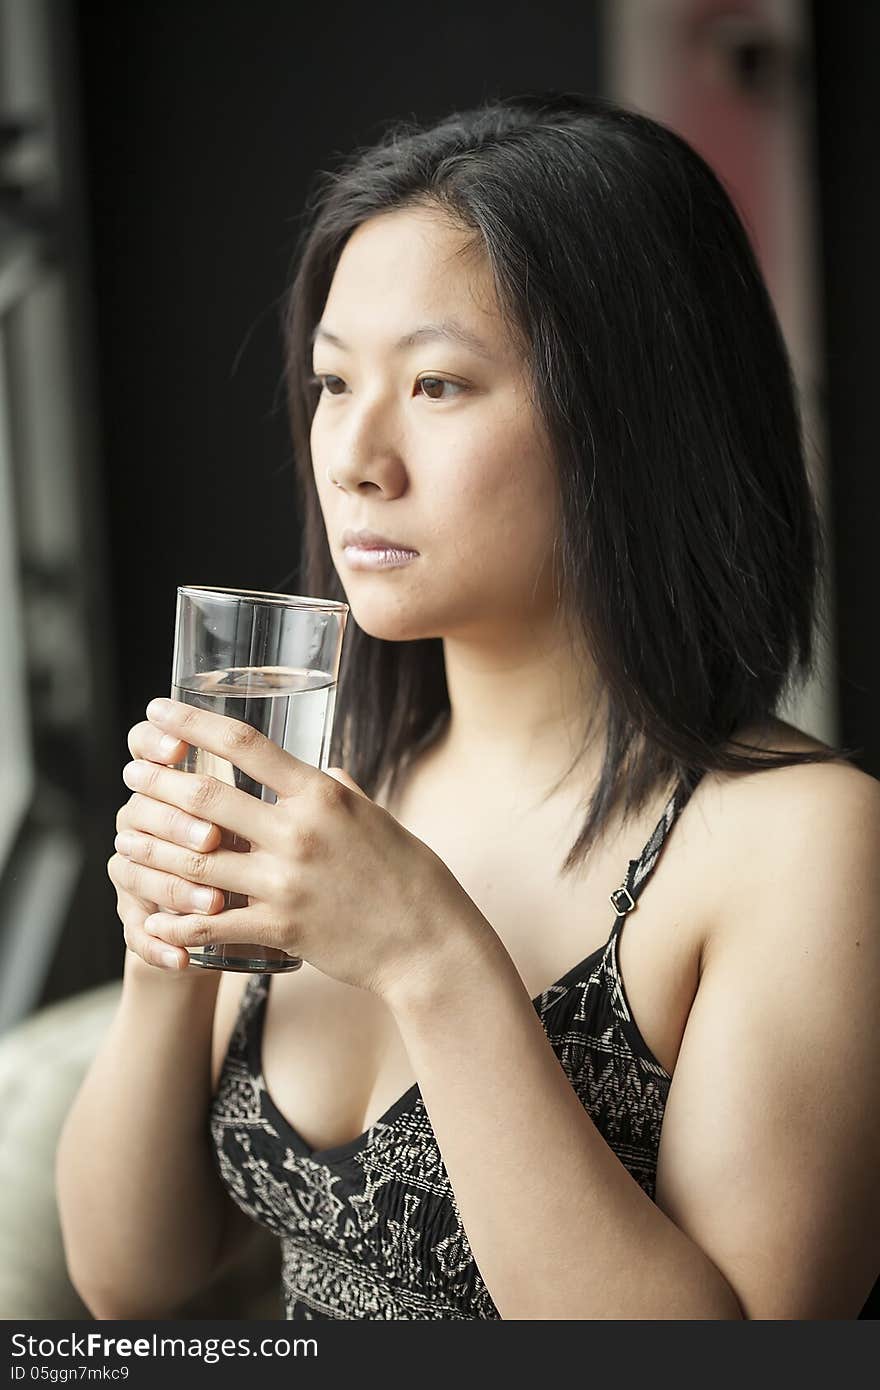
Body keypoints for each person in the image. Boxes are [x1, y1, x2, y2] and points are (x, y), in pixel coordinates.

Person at [56, 92, 880, 1321]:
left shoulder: (805, 844)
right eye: (334, 384)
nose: (354, 456)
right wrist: (165, 951)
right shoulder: (335, 785)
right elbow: (134, 1283)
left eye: (437, 385)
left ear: (633, 414)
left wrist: (432, 957)